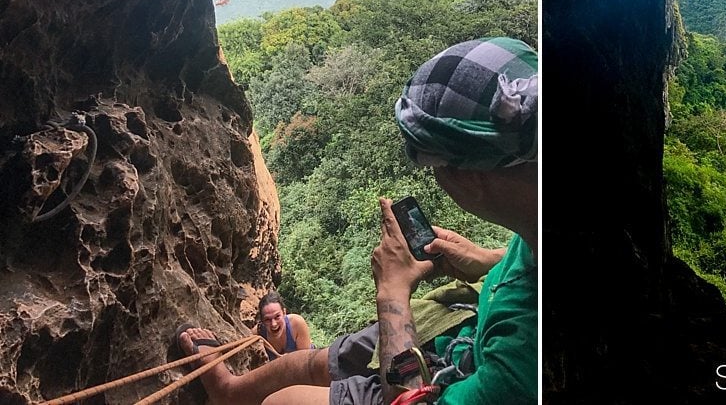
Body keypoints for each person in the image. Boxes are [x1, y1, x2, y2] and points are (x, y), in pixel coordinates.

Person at [175, 36, 538, 405]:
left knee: (282, 402)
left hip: (455, 373)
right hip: (469, 319)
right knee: (317, 363)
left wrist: (392, 291)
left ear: (466, 177)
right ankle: (229, 391)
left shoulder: (523, 363)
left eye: (436, 168)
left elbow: (407, 400)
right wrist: (486, 260)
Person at [254, 292, 313, 361]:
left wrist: (287, 361)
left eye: (277, 317)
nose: (274, 324)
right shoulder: (257, 334)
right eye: (267, 319)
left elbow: (306, 361)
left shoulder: (297, 324)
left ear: (284, 313)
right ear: (262, 321)